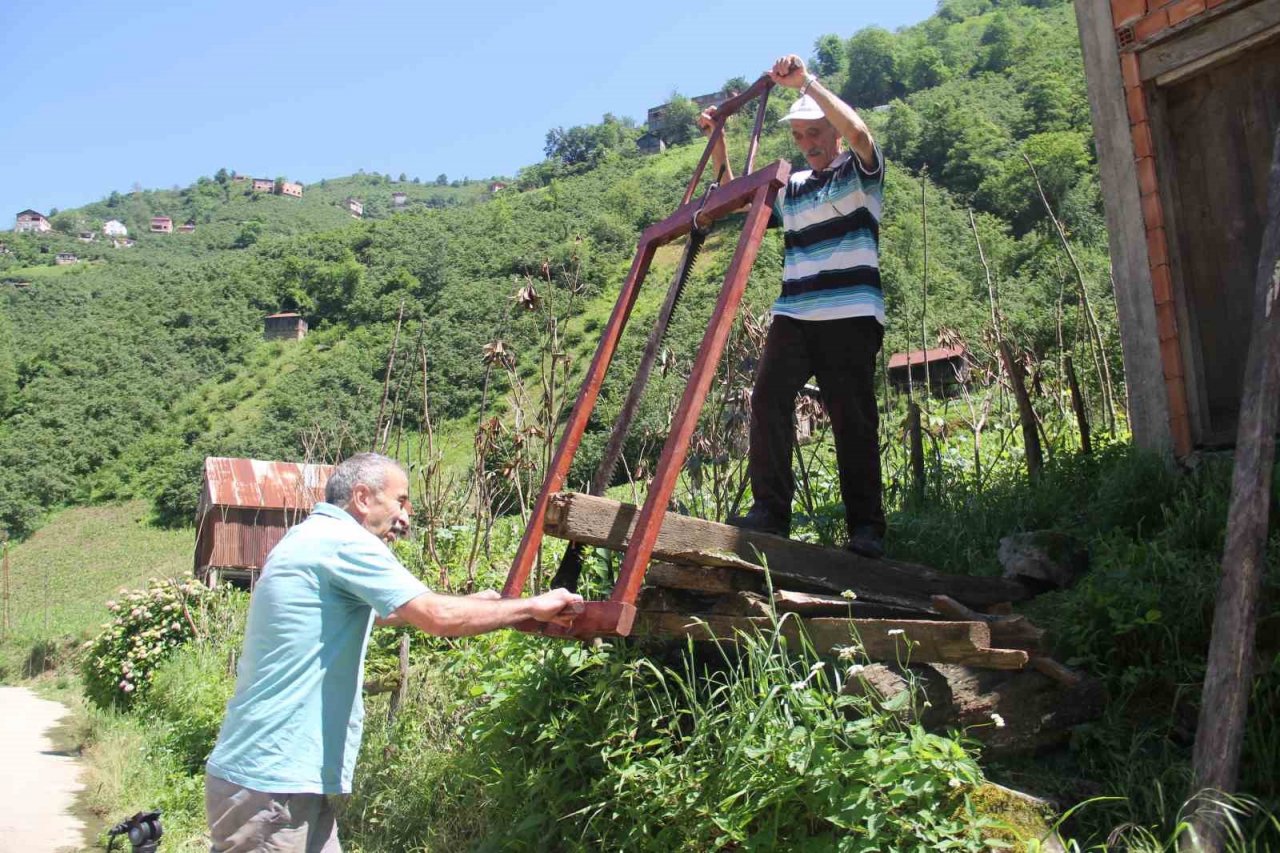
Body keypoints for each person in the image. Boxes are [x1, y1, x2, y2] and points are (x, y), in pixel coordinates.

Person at [204, 452, 584, 852]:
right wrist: (530, 606)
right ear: (363, 498)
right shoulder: (345, 542)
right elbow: (435, 617)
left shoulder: (307, 538)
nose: (406, 516)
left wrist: (472, 601)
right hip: (271, 784)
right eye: (400, 500)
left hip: (279, 776)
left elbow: (375, 614)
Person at [699, 54, 887, 558]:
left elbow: (862, 131)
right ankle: (772, 513)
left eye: (817, 133)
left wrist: (807, 84)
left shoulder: (863, 173)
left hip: (849, 314)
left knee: (852, 417)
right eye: (800, 136)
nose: (809, 145)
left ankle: (866, 530)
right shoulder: (795, 188)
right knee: (767, 399)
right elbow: (736, 195)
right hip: (796, 314)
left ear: (834, 133)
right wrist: (717, 133)